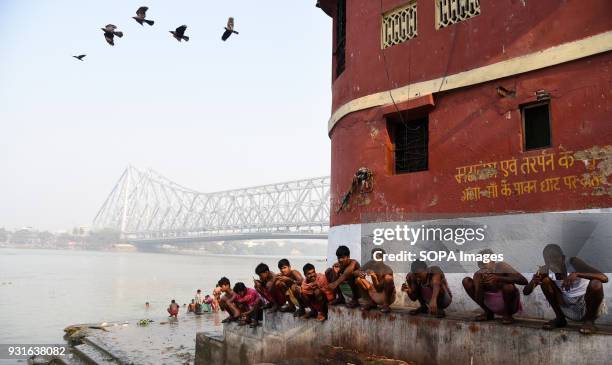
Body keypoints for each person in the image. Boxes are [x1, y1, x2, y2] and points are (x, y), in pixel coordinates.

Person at [523, 244, 608, 334]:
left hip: (587, 304)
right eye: (548, 259)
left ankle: (589, 322)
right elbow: (526, 292)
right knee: (545, 282)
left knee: (596, 284)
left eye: (555, 258)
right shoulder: (545, 269)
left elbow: (604, 278)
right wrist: (533, 281)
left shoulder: (573, 262)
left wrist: (578, 274)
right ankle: (560, 319)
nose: (552, 262)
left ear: (562, 257)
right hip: (567, 306)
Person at [462, 249, 527, 324]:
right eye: (480, 264)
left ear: (493, 261)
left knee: (508, 286)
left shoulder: (502, 266)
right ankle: (488, 313)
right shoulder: (478, 274)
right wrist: (479, 285)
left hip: (510, 306)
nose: (483, 265)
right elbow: (479, 299)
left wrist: (499, 278)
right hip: (491, 306)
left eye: (485, 262)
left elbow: (524, 281)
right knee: (466, 281)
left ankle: (508, 315)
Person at [354, 248, 396, 313]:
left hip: (385, 296)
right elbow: (355, 272)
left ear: (382, 259)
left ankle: (386, 305)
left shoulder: (387, 270)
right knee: (358, 280)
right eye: (372, 257)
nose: (373, 260)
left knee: (388, 278)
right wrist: (359, 273)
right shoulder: (370, 264)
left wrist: (374, 277)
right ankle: (370, 302)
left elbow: (379, 289)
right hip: (375, 294)